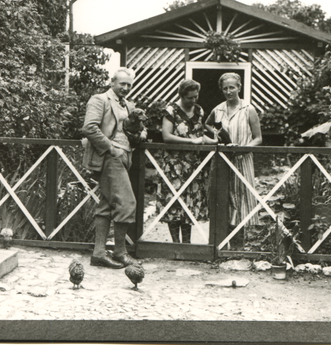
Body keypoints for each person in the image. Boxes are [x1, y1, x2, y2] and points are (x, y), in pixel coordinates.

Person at [82, 68, 143, 269]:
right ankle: (120, 252)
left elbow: (132, 132)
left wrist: (139, 134)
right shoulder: (100, 100)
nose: (125, 88)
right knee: (126, 203)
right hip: (109, 157)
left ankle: (99, 253)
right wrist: (110, 149)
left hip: (125, 157)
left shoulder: (129, 105)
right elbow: (89, 127)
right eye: (122, 84)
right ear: (112, 82)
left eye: (129, 85)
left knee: (108, 204)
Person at [156, 79, 217, 243]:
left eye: (196, 97)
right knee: (174, 203)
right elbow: (166, 136)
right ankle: (176, 243)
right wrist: (191, 142)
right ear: (181, 95)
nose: (193, 100)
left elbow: (199, 134)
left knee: (189, 203)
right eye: (190, 98)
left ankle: (187, 243)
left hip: (193, 165)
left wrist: (214, 142)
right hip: (174, 165)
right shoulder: (171, 110)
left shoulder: (199, 110)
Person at [205, 72, 263, 241]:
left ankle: (238, 245)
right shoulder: (218, 109)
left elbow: (258, 138)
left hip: (242, 160)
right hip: (223, 161)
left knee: (242, 200)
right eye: (225, 89)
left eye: (232, 87)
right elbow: (208, 124)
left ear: (239, 88)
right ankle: (222, 244)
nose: (229, 91)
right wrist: (217, 134)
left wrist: (243, 148)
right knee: (224, 198)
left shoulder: (248, 109)